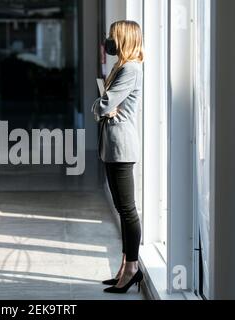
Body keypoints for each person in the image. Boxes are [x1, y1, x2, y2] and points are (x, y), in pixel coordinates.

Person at [92, 20, 144, 294]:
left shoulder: (130, 69)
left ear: (123, 39)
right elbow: (108, 103)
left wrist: (102, 107)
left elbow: (104, 103)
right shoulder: (121, 66)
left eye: (112, 37)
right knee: (122, 209)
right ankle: (125, 266)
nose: (108, 41)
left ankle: (133, 268)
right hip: (112, 145)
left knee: (127, 209)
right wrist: (106, 107)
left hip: (121, 147)